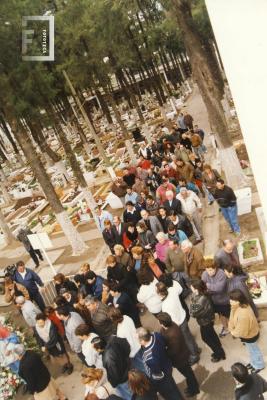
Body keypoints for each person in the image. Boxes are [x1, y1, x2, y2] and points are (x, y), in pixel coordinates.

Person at [157, 312, 200, 398]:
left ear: (162, 323)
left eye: (159, 321)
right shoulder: (169, 326)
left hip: (180, 359)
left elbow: (174, 351)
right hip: (180, 356)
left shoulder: (173, 334)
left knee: (188, 374)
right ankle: (192, 386)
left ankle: (194, 389)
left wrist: (164, 352)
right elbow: (162, 334)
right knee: (188, 373)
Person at [156, 281, 199, 365]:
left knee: (186, 340)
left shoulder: (165, 306)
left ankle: (194, 356)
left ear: (159, 293)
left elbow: (170, 319)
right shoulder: (172, 290)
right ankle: (196, 349)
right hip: (183, 317)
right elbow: (179, 289)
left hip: (178, 323)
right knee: (189, 336)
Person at [137, 328, 184, 400]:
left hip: (163, 379)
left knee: (171, 395)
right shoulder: (156, 335)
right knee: (174, 389)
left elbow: (158, 375)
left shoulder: (149, 358)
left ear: (143, 341)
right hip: (167, 366)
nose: (138, 341)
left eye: (138, 340)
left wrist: (153, 381)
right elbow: (165, 343)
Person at [228, 289, 265, 373]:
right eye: (230, 299)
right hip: (248, 334)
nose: (230, 301)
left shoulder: (243, 313)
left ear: (238, 301)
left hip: (250, 335)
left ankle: (259, 365)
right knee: (251, 350)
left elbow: (242, 330)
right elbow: (233, 318)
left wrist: (233, 332)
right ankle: (253, 363)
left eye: (232, 299)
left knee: (254, 350)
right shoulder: (239, 306)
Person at [190, 279, 226, 362]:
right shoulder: (204, 294)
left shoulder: (200, 299)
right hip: (208, 320)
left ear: (196, 289)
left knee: (206, 338)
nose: (190, 289)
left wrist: (192, 300)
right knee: (212, 336)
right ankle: (220, 352)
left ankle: (218, 354)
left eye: (192, 287)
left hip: (205, 322)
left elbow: (192, 313)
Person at [108, 307, 144, 372]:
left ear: (113, 318)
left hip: (134, 351)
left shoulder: (121, 331)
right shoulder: (126, 317)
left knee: (142, 366)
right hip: (138, 343)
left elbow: (128, 344)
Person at [201, 259, 230, 338]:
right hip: (213, 301)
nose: (209, 272)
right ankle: (226, 328)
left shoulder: (221, 274)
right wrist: (211, 288)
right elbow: (203, 287)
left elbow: (219, 288)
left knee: (229, 315)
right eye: (207, 270)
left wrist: (208, 286)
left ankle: (234, 329)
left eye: (211, 270)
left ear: (215, 268)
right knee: (221, 315)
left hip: (224, 300)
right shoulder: (204, 274)